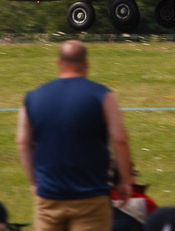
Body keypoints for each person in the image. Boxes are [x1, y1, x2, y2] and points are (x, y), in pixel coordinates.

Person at [16, 40, 132, 231]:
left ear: (58, 62)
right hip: (91, 198)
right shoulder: (102, 95)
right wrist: (125, 180)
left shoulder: (32, 97)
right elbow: (120, 139)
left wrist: (34, 182)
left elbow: (22, 142)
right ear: (86, 64)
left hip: (48, 198)